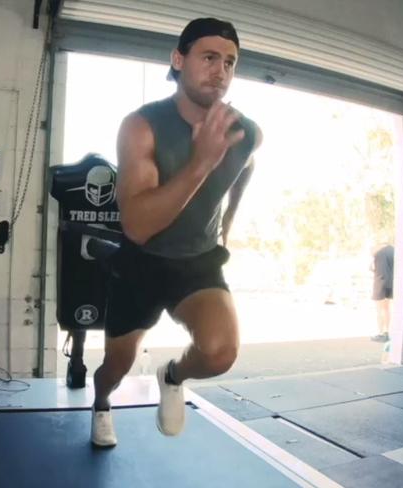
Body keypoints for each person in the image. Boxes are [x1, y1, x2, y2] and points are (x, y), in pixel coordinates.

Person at [91, 17, 263, 447]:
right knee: (116, 367)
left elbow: (245, 167)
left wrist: (228, 222)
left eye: (229, 61)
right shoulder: (141, 126)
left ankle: (172, 375)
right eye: (208, 57)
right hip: (141, 262)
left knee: (220, 353)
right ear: (178, 60)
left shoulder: (246, 132)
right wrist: (202, 160)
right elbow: (139, 225)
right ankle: (100, 403)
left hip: (197, 262)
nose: (220, 70)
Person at [371, 243, 394, 342]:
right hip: (391, 283)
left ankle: (380, 333)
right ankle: (387, 332)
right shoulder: (394, 251)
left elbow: (373, 268)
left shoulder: (378, 254)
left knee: (379, 309)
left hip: (380, 283)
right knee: (387, 309)